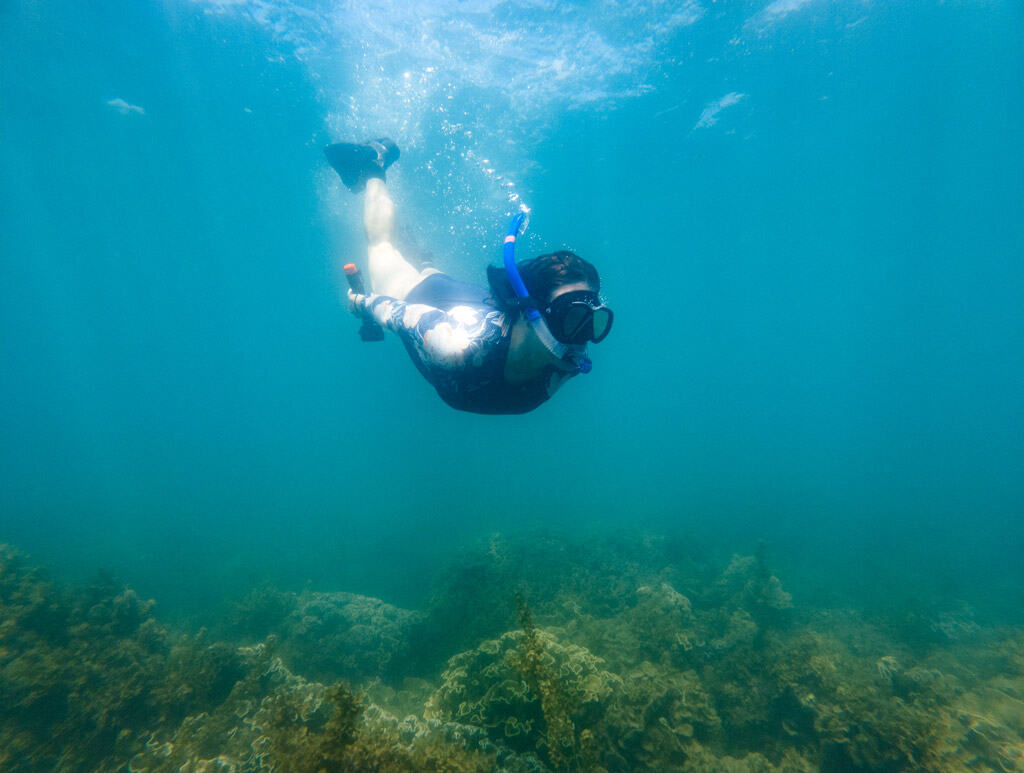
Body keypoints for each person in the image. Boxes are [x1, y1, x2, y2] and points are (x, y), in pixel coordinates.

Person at [324, 138, 613, 415]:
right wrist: (361, 303)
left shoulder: (567, 361)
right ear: (529, 313)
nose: (583, 341)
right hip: (425, 297)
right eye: (573, 318)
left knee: (428, 273)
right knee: (381, 247)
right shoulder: (456, 345)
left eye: (594, 322)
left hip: (468, 302)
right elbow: (391, 311)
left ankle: (421, 260)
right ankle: (373, 167)